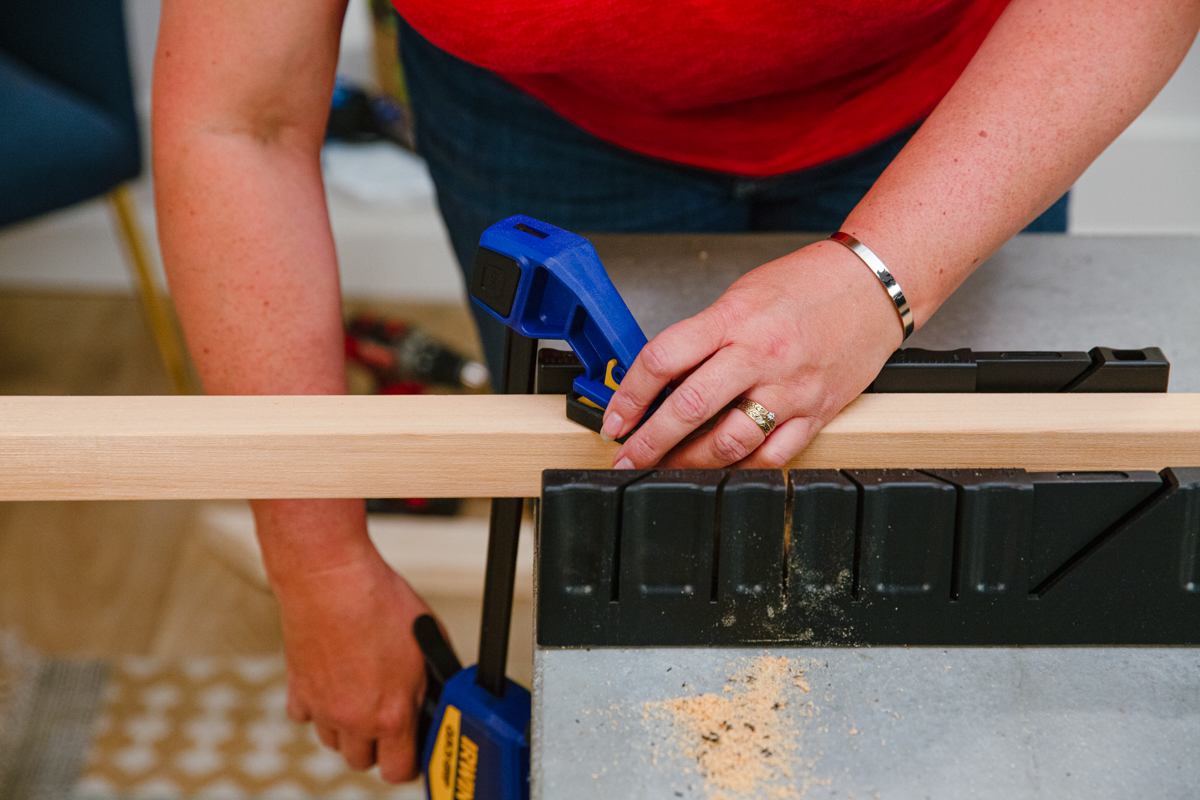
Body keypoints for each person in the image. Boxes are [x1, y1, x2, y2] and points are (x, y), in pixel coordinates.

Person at [151, 0, 1200, 782]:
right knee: (634, 602)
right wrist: (319, 559)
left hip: (943, 101)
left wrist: (878, 277)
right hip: (538, 115)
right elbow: (235, 118)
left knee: (956, 618)